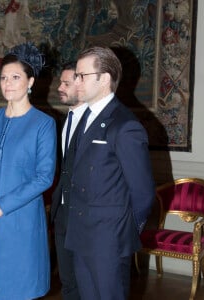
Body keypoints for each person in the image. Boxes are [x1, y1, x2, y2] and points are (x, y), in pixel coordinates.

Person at [0, 42, 57, 300]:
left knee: (18, 287)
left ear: (30, 82)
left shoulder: (44, 124)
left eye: (15, 77)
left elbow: (44, 177)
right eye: (4, 77)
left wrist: (2, 205)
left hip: (20, 218)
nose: (8, 83)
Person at [64, 46, 155, 300]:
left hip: (108, 240)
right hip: (82, 234)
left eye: (82, 75)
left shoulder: (125, 126)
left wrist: (124, 231)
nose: (76, 81)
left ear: (104, 78)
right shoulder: (85, 118)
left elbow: (143, 193)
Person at [51, 62, 87, 300]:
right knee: (68, 282)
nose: (59, 88)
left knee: (87, 284)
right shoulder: (67, 120)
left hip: (86, 217)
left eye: (66, 83)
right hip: (63, 212)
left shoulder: (96, 123)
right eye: (60, 82)